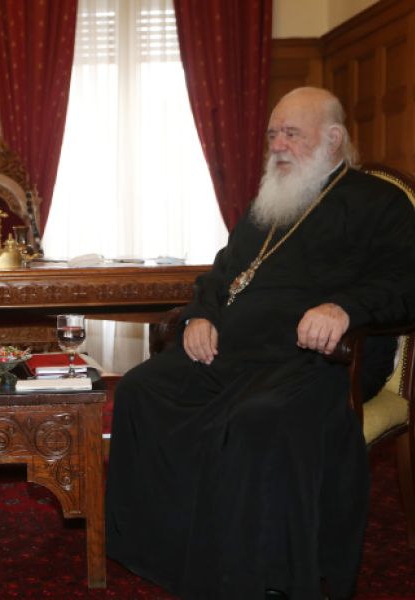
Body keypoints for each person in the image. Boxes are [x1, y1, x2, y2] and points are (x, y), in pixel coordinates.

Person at [105, 86, 415, 599]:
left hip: (319, 361)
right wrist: (200, 316)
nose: (277, 146)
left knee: (258, 417)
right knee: (141, 390)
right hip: (237, 353)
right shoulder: (267, 205)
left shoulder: (379, 203)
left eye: (291, 134)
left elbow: (405, 283)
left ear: (333, 139)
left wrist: (344, 308)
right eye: (273, 135)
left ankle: (259, 574)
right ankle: (166, 550)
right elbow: (221, 274)